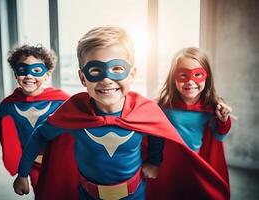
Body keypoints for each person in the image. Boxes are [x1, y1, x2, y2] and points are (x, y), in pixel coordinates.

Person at [14, 27, 230, 200]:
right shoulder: (74, 111)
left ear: (132, 73)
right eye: (95, 70)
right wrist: (23, 172)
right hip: (87, 193)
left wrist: (154, 162)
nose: (106, 79)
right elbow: (41, 134)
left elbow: (158, 134)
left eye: (117, 69)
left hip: (135, 193)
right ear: (82, 78)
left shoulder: (144, 110)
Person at [0, 44, 70, 194]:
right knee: (40, 191)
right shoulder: (10, 104)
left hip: (59, 161)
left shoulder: (61, 101)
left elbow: (82, 116)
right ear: (16, 75)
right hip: (31, 162)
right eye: (22, 71)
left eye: (36, 70)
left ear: (47, 74)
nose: (29, 76)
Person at [157, 46, 232, 195]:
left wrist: (223, 120)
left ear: (207, 77)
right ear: (173, 77)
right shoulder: (164, 106)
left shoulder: (212, 108)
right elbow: (152, 134)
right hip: (170, 164)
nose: (190, 82)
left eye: (197, 74)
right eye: (183, 75)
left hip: (197, 162)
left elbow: (218, 137)